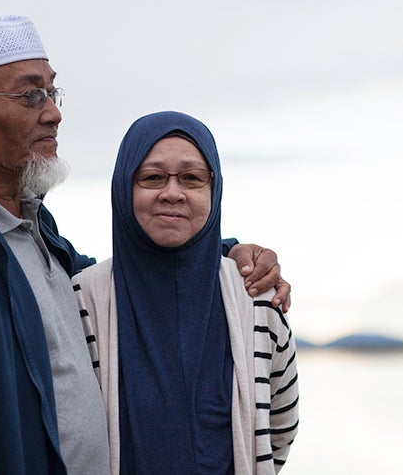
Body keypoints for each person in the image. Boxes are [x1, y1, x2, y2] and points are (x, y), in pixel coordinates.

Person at [0, 14, 292, 474]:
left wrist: (219, 252)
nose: (53, 112)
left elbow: (136, 274)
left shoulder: (32, 232)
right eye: (30, 95)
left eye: (52, 92)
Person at [73, 111, 299, 474]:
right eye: (152, 178)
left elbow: (279, 432)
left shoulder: (256, 300)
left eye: (192, 178)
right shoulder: (82, 300)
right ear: (122, 188)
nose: (172, 193)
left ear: (215, 190)